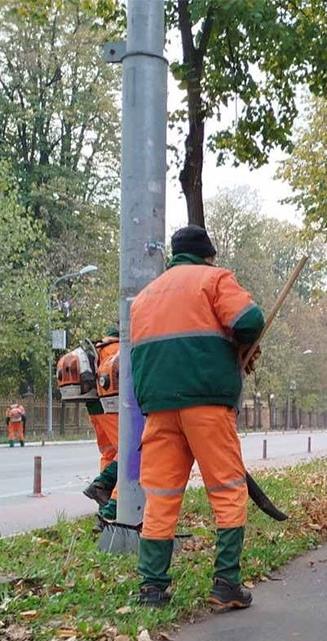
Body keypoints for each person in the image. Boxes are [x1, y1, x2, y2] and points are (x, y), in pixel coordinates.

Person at [130, 224, 264, 609]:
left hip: (158, 409)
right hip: (206, 403)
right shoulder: (214, 279)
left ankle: (152, 589)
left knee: (162, 496)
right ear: (208, 256)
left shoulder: (144, 297)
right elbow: (249, 322)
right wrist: (238, 348)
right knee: (226, 490)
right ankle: (226, 584)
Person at [83, 326, 121, 521]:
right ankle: (111, 507)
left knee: (110, 452)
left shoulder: (96, 348)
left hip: (95, 408)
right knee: (129, 453)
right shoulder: (118, 348)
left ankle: (103, 502)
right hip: (112, 406)